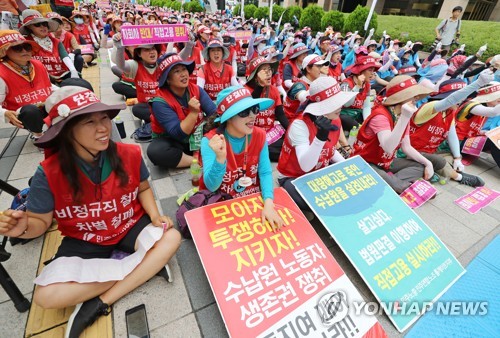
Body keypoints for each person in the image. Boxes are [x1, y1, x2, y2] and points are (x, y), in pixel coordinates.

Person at [0, 86, 181, 338]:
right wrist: (25, 228)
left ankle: (99, 303)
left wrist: (153, 216)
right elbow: (40, 222)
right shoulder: (48, 172)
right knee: (46, 296)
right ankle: (146, 267)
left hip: (129, 224)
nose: (103, 128)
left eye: (105, 117)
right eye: (89, 121)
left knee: (172, 237)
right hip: (85, 238)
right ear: (65, 131)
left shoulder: (128, 152)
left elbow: (143, 187)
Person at [200, 86, 284, 229]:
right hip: (221, 200)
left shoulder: (260, 135)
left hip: (251, 197)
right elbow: (211, 185)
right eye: (245, 112)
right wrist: (220, 159)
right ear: (229, 118)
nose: (253, 116)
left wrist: (269, 204)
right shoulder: (210, 141)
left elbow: (264, 172)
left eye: (255, 109)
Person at [352, 75, 448, 193]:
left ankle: (389, 183)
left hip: (385, 162)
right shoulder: (381, 116)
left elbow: (406, 146)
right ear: (402, 97)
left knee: (420, 167)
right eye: (413, 96)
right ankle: (393, 184)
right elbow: (388, 148)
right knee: (397, 184)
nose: (416, 99)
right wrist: (405, 116)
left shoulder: (402, 115)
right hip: (365, 162)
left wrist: (428, 163)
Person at [277, 77, 357, 211]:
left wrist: (346, 166)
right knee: (315, 202)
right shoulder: (300, 125)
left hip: (318, 173)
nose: (340, 106)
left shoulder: (334, 118)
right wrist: (320, 138)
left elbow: (330, 150)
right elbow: (305, 165)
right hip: (294, 176)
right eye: (334, 103)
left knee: (350, 189)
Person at [148, 53, 217, 168]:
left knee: (220, 125)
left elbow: (213, 113)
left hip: (196, 134)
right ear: (167, 80)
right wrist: (193, 113)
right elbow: (178, 134)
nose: (183, 74)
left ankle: (202, 153)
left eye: (184, 69)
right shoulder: (159, 101)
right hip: (174, 141)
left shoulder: (196, 89)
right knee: (155, 151)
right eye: (176, 71)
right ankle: (196, 160)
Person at [0, 30, 53, 138]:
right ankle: (38, 136)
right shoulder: (1, 73)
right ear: (4, 52)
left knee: (74, 85)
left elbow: (49, 86)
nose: (24, 50)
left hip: (46, 105)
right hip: (24, 113)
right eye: (17, 48)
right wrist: (5, 113)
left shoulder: (37, 64)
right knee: (30, 111)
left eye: (27, 46)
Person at [19, 9, 80, 84]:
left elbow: (65, 56)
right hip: (39, 79)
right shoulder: (25, 43)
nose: (43, 27)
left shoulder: (56, 41)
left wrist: (73, 71)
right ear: (29, 27)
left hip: (61, 75)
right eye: (37, 25)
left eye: (44, 24)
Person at [113, 32, 161, 126]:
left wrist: (189, 45)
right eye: (147, 50)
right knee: (137, 109)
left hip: (163, 104)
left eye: (153, 48)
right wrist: (119, 48)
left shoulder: (162, 63)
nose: (151, 52)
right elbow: (121, 65)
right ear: (139, 53)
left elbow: (179, 58)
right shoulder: (135, 65)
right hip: (146, 105)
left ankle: (155, 121)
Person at [245, 56, 285, 162]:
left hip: (270, 131)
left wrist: (292, 133)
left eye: (269, 70)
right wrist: (260, 85)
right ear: (255, 75)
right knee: (269, 150)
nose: (268, 73)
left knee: (290, 144)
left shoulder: (274, 90)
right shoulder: (245, 90)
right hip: (252, 133)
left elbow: (281, 115)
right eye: (263, 70)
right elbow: (250, 108)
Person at [340, 55, 381, 133]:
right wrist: (357, 86)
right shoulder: (346, 83)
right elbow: (346, 104)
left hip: (357, 113)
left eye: (373, 71)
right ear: (361, 71)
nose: (372, 74)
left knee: (374, 121)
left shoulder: (367, 85)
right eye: (370, 70)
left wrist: (366, 121)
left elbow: (366, 107)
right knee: (346, 120)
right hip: (345, 114)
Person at [284, 54, 329, 123]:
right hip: (294, 124)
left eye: (322, 66)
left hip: (308, 120)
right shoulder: (299, 85)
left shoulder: (315, 82)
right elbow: (305, 98)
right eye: (318, 66)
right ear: (308, 69)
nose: (322, 69)